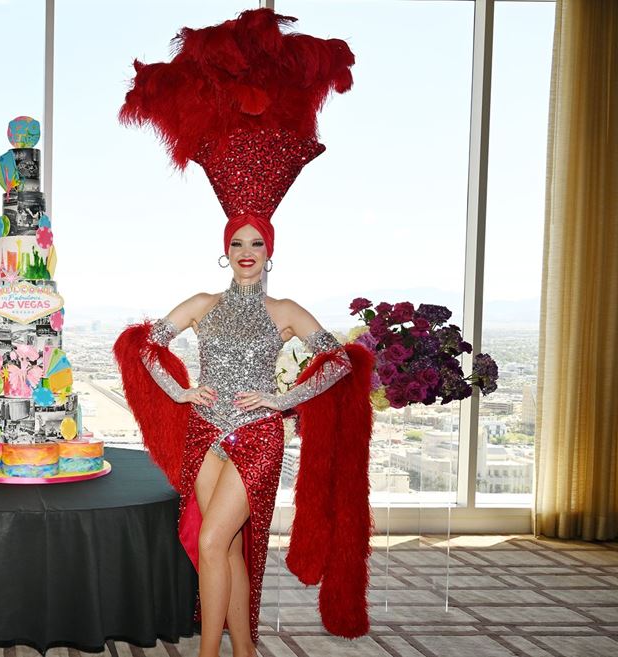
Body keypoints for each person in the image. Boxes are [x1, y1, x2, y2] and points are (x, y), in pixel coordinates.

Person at [114, 9, 373, 656]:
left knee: (211, 539)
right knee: (223, 546)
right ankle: (244, 649)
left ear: (270, 249)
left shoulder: (285, 311)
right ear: (225, 248)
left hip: (258, 436)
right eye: (238, 242)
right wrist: (180, 393)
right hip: (205, 432)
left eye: (257, 243)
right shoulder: (203, 302)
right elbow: (148, 345)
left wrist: (283, 400)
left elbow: (340, 362)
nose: (247, 252)